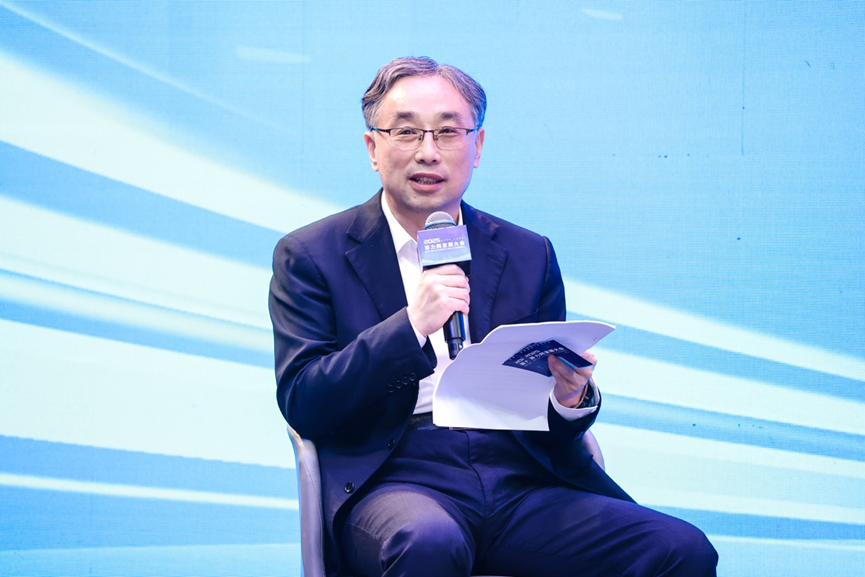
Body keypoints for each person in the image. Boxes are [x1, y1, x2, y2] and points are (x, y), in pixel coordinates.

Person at [269, 56, 718, 577]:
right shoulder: (311, 254)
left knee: (681, 549)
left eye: (448, 132)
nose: (428, 152)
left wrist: (569, 399)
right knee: (428, 540)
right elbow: (304, 401)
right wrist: (410, 325)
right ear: (373, 148)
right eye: (407, 132)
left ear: (477, 146)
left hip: (519, 478)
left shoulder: (528, 253)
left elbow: (547, 424)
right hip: (395, 477)